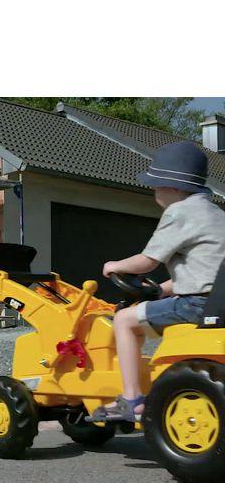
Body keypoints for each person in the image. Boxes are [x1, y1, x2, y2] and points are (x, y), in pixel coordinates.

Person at [88, 140, 225, 423]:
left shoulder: (179, 212)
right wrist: (160, 289)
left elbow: (147, 261)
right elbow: (209, 272)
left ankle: (131, 399)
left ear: (173, 187)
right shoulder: (216, 214)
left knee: (124, 320)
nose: (153, 189)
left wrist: (115, 265)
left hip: (197, 304)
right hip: (213, 301)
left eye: (156, 184)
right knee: (146, 313)